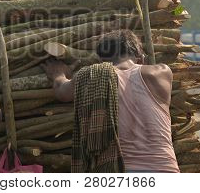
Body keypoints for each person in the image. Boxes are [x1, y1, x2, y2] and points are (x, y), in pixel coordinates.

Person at [41, 30, 180, 173]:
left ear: (101, 60)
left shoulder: (91, 76)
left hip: (120, 170)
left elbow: (61, 91)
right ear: (140, 57)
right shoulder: (162, 72)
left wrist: (58, 75)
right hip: (166, 170)